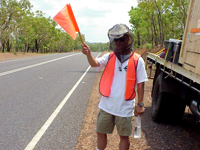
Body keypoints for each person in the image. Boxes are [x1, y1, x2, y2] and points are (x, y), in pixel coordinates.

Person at [81, 24, 148, 150]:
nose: (118, 42)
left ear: (128, 39)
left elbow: (141, 83)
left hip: (125, 107)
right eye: (115, 39)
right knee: (100, 132)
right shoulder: (109, 56)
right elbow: (95, 64)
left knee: (123, 136)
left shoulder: (137, 60)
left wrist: (140, 104)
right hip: (107, 105)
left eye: (121, 39)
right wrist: (88, 54)